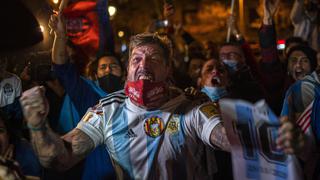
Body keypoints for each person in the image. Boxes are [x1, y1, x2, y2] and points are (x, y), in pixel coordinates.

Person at [20, 33, 303, 179]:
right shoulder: (107, 111)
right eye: (136, 59)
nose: (144, 65)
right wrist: (37, 125)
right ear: (128, 69)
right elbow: (58, 159)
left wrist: (270, 136)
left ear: (168, 69)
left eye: (154, 59)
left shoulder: (191, 107)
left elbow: (224, 136)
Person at [48, 10, 121, 179]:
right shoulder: (88, 94)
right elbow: (62, 67)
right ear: (95, 75)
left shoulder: (134, 99)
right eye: (103, 67)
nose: (108, 70)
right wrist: (60, 36)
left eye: (114, 66)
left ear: (124, 74)